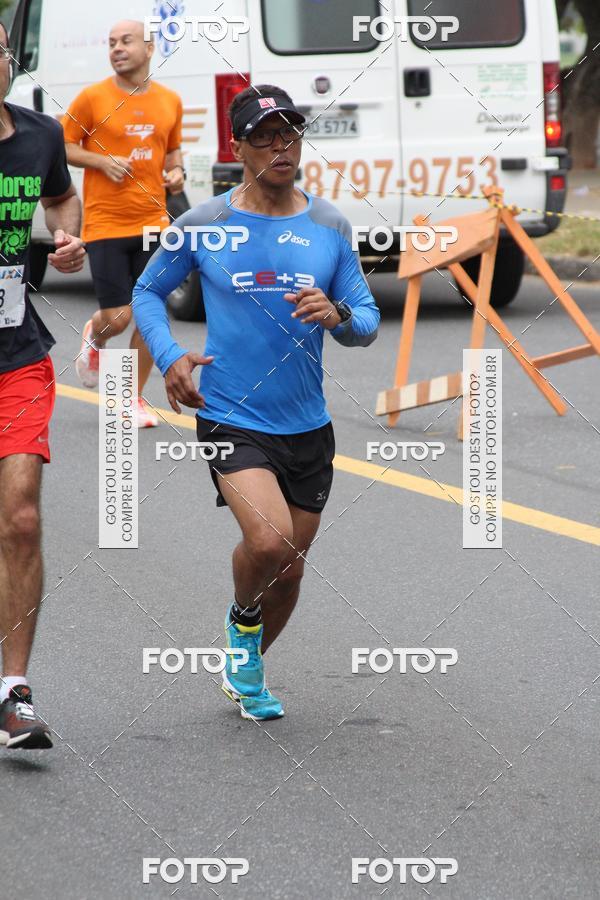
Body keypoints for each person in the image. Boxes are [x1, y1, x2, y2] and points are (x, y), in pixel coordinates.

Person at [133, 85, 379, 720]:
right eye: (264, 136)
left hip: (307, 423)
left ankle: (245, 666)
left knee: (290, 568)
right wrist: (170, 356)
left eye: (289, 133)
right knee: (269, 543)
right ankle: (243, 621)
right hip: (230, 414)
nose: (280, 146)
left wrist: (339, 314)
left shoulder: (329, 225)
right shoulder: (203, 224)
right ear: (237, 147)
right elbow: (146, 292)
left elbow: (367, 320)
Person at [0, 21, 86, 748]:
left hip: (17, 356)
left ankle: (13, 693)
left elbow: (61, 199)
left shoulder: (40, 135)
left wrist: (65, 236)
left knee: (22, 517)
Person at [64, 19, 184, 427]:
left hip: (153, 221)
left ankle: (131, 398)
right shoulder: (92, 98)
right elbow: (62, 145)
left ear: (149, 48)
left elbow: (173, 150)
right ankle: (95, 335)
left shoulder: (169, 100)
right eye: (112, 42)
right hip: (106, 224)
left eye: (126, 41)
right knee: (118, 316)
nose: (117, 48)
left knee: (150, 316)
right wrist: (100, 161)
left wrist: (177, 172)